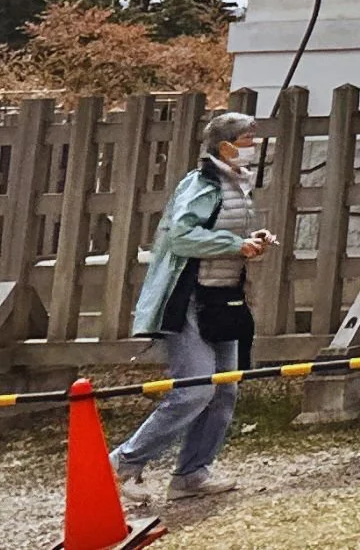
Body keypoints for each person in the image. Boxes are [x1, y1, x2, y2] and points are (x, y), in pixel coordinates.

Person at [111, 110, 273, 503]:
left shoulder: (236, 184)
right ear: (225, 147)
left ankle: (192, 473)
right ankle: (124, 462)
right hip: (189, 299)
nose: (254, 146)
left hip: (224, 296)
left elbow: (223, 231)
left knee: (224, 390)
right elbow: (181, 236)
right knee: (194, 390)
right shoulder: (201, 184)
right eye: (247, 139)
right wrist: (234, 244)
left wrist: (252, 240)